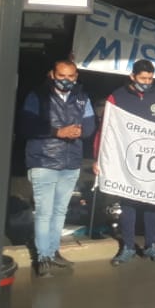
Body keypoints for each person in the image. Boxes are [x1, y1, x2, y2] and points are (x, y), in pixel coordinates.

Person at [19, 60, 97, 277]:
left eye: (71, 76)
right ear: (52, 74)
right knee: (44, 212)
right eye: (61, 75)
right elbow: (26, 124)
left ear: (76, 76)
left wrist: (80, 131)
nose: (66, 80)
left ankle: (53, 251)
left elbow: (90, 125)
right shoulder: (37, 96)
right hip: (43, 160)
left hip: (71, 162)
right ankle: (43, 257)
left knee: (60, 210)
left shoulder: (82, 97)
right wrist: (58, 132)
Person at [96, 59, 155, 265]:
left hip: (152, 158)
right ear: (132, 76)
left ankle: (151, 246)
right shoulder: (117, 96)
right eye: (143, 78)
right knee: (128, 204)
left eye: (150, 79)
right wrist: (98, 158)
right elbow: (105, 129)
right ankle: (128, 247)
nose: (147, 82)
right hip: (126, 158)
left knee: (152, 204)